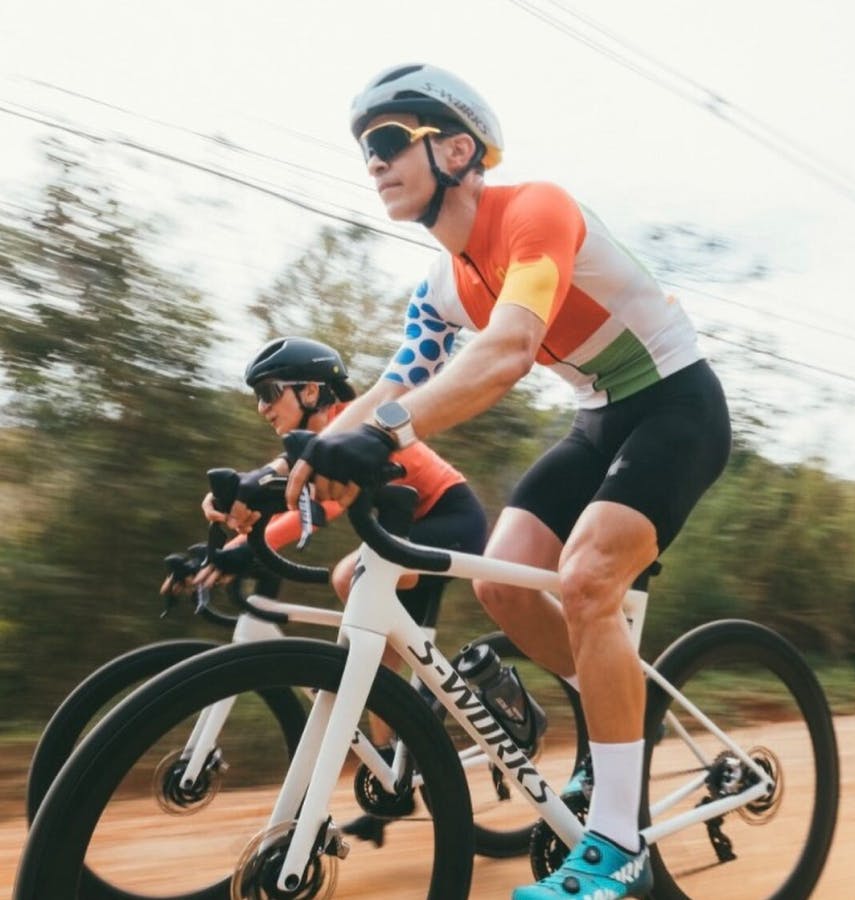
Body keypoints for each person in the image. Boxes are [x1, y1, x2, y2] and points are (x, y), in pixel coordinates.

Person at [263, 64, 732, 900]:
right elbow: (392, 385)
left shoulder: (535, 211)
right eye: (363, 151)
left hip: (677, 404)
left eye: (386, 143)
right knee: (506, 582)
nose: (372, 163)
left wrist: (385, 437)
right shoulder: (440, 286)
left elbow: (508, 352)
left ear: (456, 149)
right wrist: (295, 463)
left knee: (586, 578)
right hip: (600, 416)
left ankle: (620, 846)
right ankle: (613, 729)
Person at [183, 335, 489, 844]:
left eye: (267, 392)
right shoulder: (317, 444)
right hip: (400, 531)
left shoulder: (344, 426)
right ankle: (393, 775)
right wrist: (223, 542)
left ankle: (461, 707)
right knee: (376, 664)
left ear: (309, 390)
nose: (261, 408)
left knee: (351, 577)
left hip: (449, 517)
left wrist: (244, 550)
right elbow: (280, 495)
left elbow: (316, 509)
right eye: (257, 397)